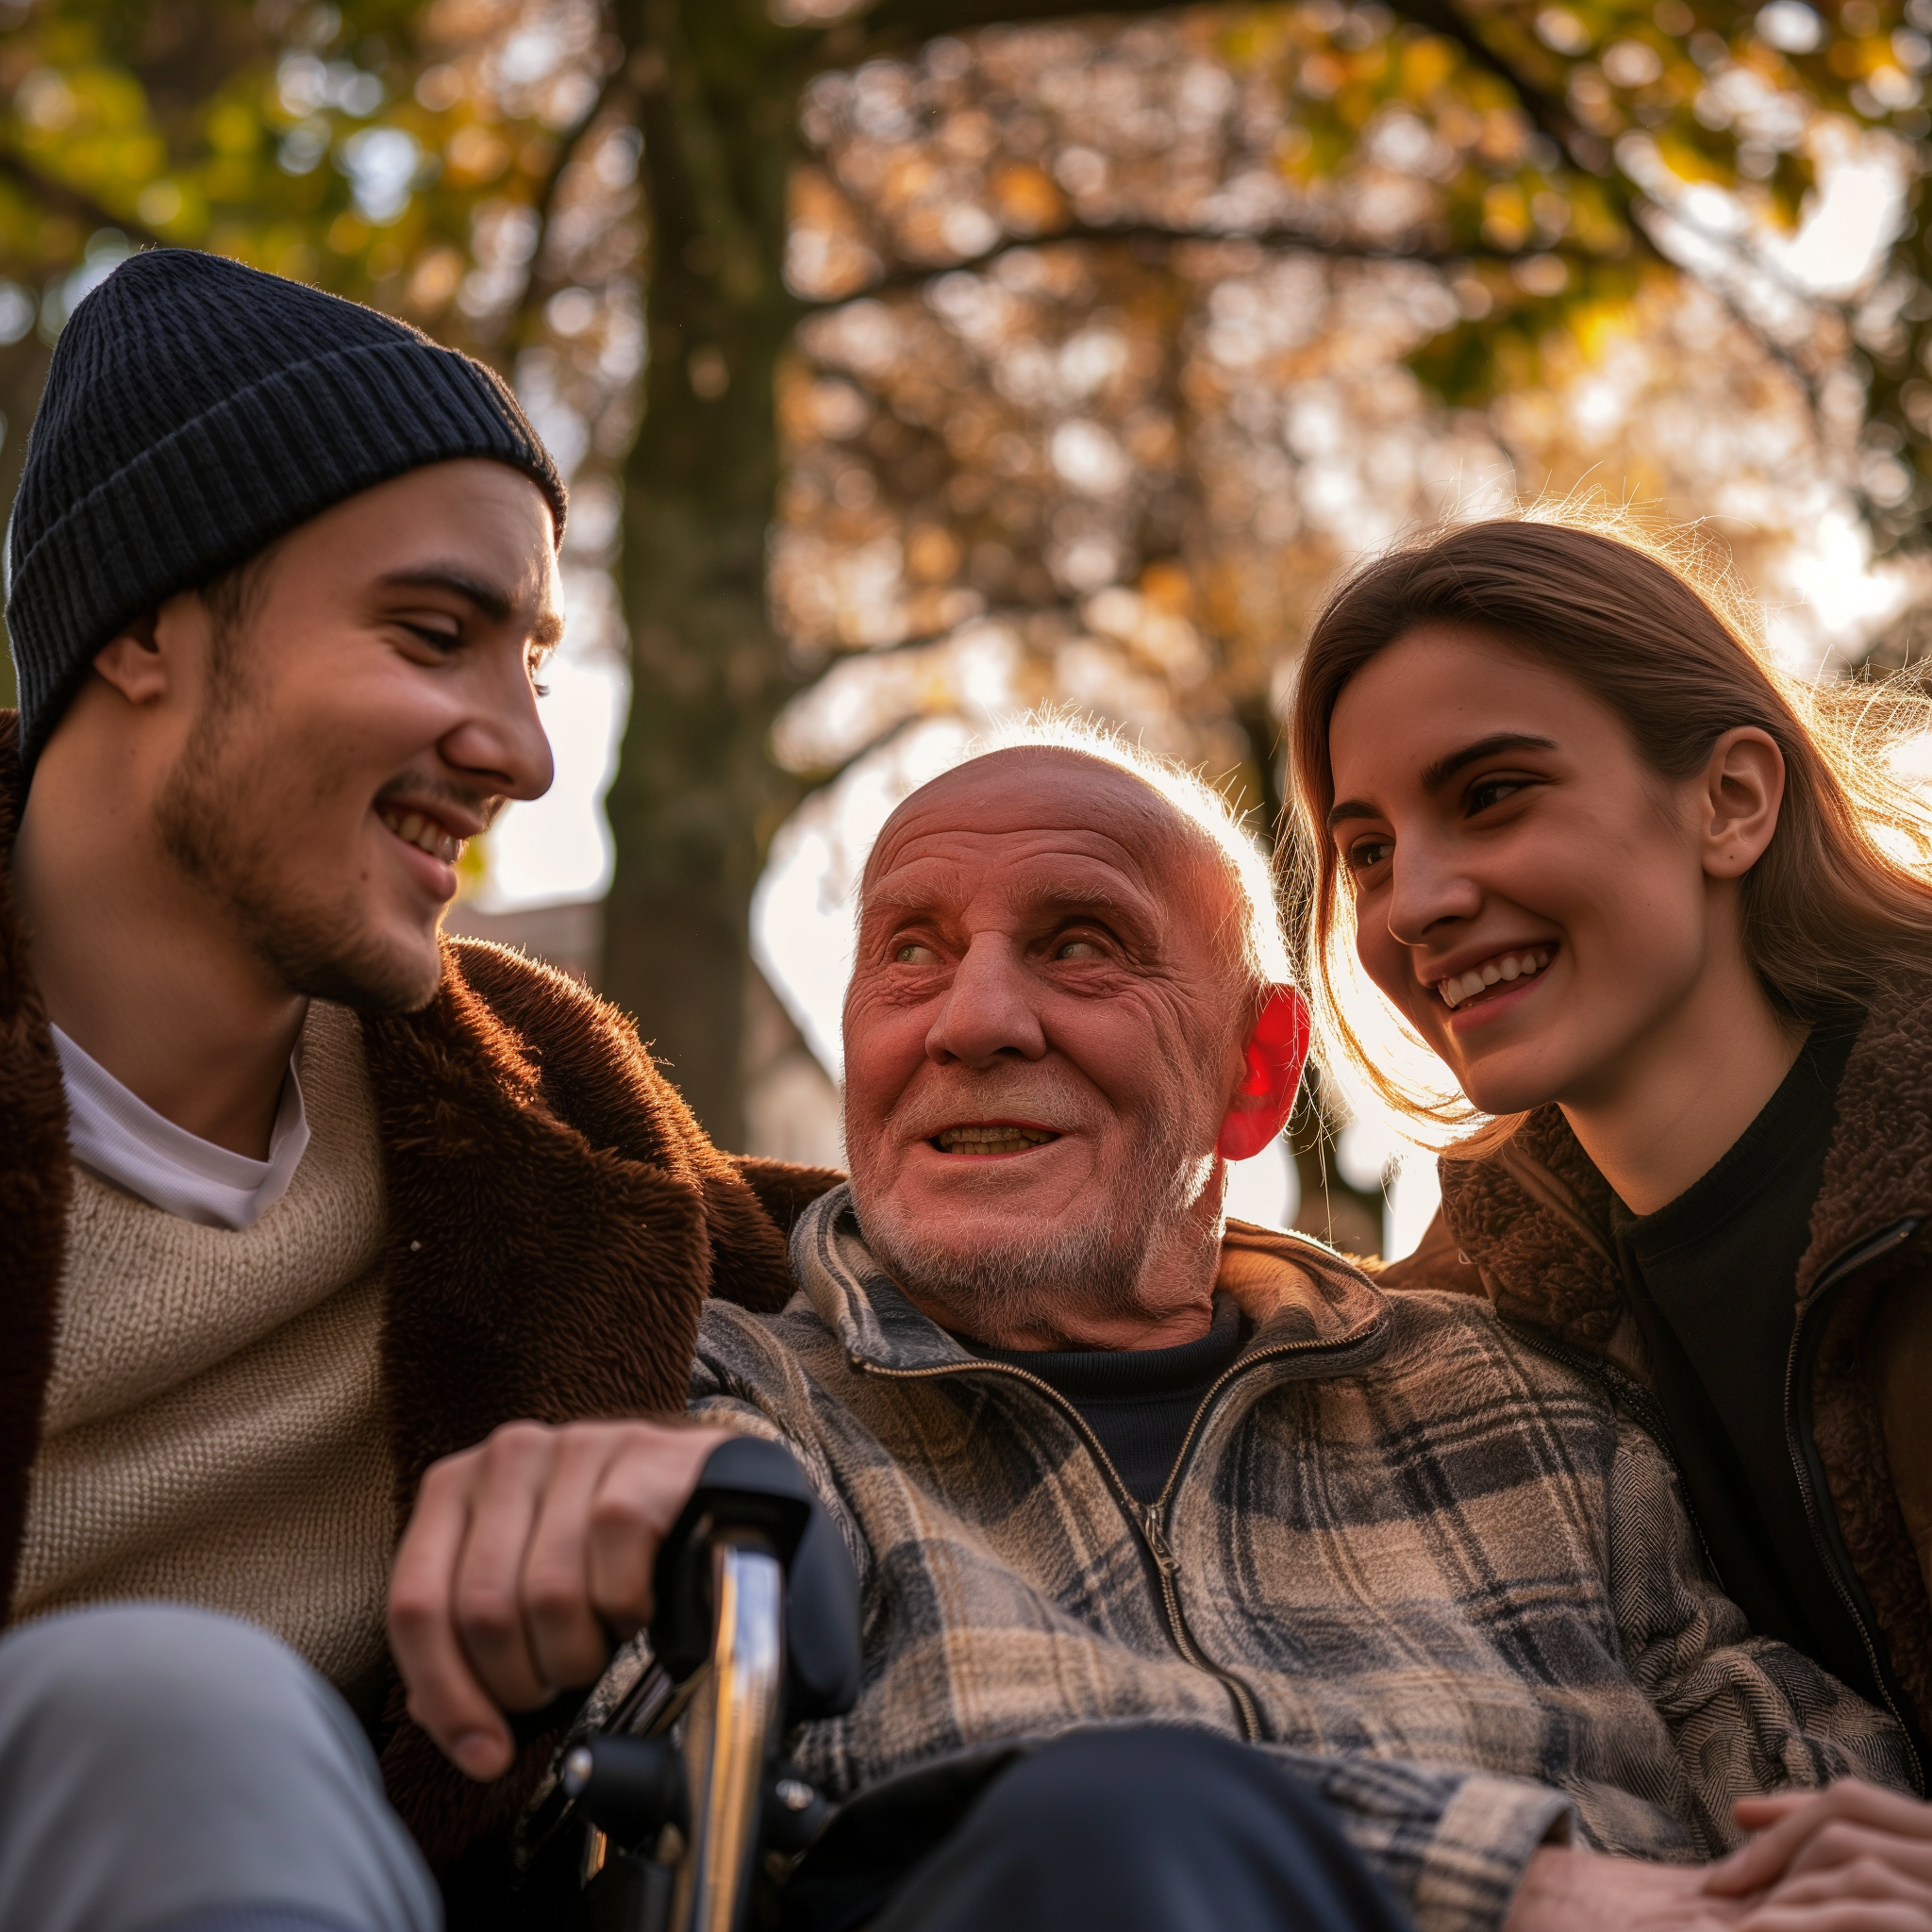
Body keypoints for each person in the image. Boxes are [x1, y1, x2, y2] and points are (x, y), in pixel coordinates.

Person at [392, 729, 1928, 1932]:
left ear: (1259, 1074)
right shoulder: (726, 1407)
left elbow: (1812, 1801)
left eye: (1080, 944)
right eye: (908, 950)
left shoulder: (1526, 1410)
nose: (973, 1019)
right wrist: (1523, 1887)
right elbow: (707, 1812)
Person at [0, 248, 809, 1932]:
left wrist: (740, 1467)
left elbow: (911, 1286)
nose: (523, 749)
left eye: (528, 659)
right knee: (160, 1707)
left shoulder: (550, 1119)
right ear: (144, 624)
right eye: (435, 634)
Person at [1285, 516, 1932, 1778]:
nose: (1414, 902)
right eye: (1370, 852)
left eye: (1492, 795)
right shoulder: (1480, 1305)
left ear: (1731, 801)